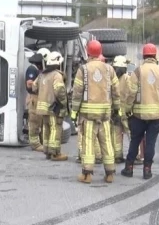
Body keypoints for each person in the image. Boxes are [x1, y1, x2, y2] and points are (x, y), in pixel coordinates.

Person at [70, 40, 120, 184]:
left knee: (88, 144)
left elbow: (77, 92)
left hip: (88, 115)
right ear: (100, 52)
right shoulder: (109, 69)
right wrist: (117, 109)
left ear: (88, 52)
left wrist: (74, 111)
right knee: (107, 143)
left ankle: (87, 175)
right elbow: (116, 91)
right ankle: (110, 174)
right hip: (105, 115)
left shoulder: (83, 69)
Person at [121, 43, 159, 180]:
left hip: (138, 115)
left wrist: (127, 110)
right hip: (157, 116)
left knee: (135, 141)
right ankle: (147, 170)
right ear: (155, 56)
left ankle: (129, 167)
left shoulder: (138, 71)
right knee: (150, 143)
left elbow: (131, 93)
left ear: (144, 56)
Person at [31, 51, 68, 161]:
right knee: (55, 129)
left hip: (42, 108)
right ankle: (55, 153)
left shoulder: (42, 75)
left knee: (46, 128)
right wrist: (63, 102)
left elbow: (34, 87)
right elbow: (59, 90)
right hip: (53, 108)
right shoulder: (57, 75)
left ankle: (47, 151)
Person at [25, 48, 50, 151]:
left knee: (40, 120)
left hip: (39, 97)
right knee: (34, 120)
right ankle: (35, 144)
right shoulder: (32, 69)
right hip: (34, 98)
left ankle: (41, 141)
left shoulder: (38, 70)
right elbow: (29, 83)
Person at [111, 56, 131, 163]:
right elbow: (131, 94)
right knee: (130, 133)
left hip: (115, 110)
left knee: (116, 134)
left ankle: (117, 155)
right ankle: (135, 155)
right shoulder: (127, 79)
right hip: (126, 111)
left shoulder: (112, 79)